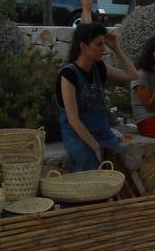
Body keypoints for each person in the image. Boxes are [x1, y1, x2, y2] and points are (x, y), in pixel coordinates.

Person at [56, 23, 136, 171]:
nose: (103, 49)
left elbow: (132, 75)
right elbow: (73, 119)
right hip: (78, 136)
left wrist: (116, 48)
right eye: (98, 44)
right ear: (83, 46)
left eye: (103, 44)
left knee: (119, 165)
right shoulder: (69, 75)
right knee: (89, 163)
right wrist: (95, 146)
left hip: (102, 133)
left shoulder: (99, 68)